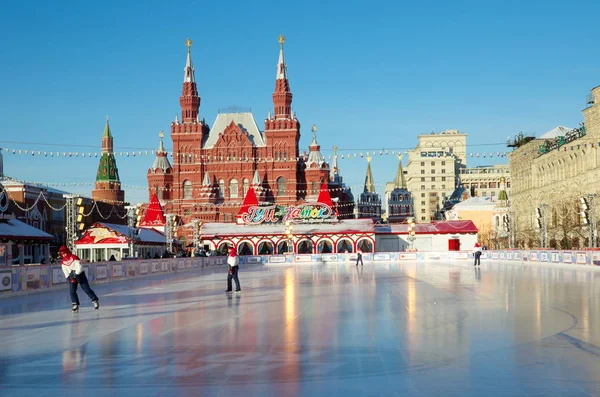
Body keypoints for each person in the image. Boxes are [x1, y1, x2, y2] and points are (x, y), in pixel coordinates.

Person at [59, 245, 99, 312]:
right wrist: (68, 278)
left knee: (87, 289)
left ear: (67, 252)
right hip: (71, 276)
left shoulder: (74, 257)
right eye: (62, 254)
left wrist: (76, 275)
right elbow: (65, 270)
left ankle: (94, 300)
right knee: (72, 291)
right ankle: (75, 304)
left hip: (80, 274)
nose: (64, 255)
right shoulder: (63, 262)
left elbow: (79, 267)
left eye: (65, 253)